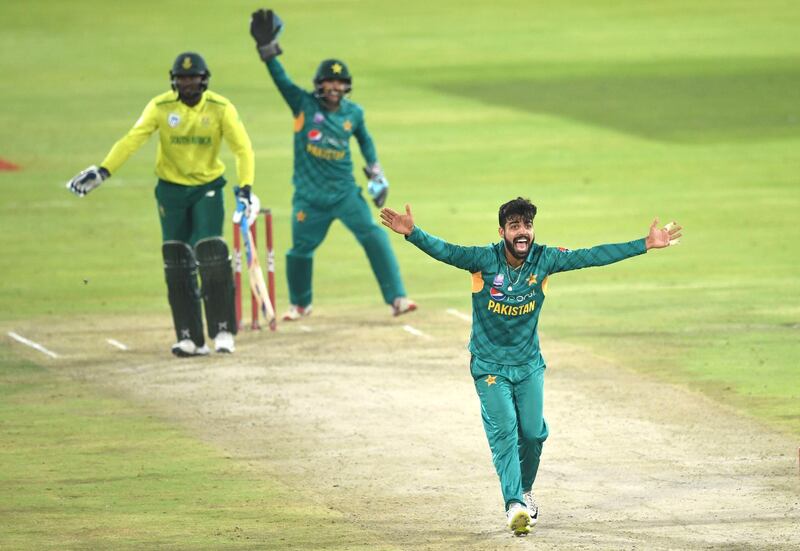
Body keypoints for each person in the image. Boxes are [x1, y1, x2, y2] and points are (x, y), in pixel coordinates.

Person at [380, 198, 682, 536]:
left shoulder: (545, 259)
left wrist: (645, 244)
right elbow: (445, 250)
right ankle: (514, 504)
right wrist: (413, 233)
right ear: (502, 232)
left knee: (534, 433)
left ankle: (523, 490)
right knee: (506, 430)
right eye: (515, 227)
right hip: (489, 365)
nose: (523, 232)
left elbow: (593, 255)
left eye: (527, 226)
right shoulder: (484, 259)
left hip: (528, 366)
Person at [65, 52, 257, 357]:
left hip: (207, 187)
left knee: (210, 253)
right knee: (177, 260)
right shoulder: (160, 106)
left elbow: (242, 148)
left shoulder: (221, 108)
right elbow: (132, 139)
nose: (187, 83)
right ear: (174, 80)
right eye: (182, 79)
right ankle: (190, 338)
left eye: (193, 78)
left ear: (204, 79)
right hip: (170, 191)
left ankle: (222, 330)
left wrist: (245, 187)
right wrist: (104, 170)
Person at [248, 9, 416, 320]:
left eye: (340, 83)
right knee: (299, 251)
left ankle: (398, 299)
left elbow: (365, 142)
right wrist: (267, 50)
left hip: (344, 194)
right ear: (318, 85)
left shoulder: (354, 114)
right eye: (328, 83)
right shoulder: (303, 104)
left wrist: (376, 171)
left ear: (347, 86)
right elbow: (280, 79)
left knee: (375, 235)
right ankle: (300, 304)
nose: (334, 88)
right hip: (309, 197)